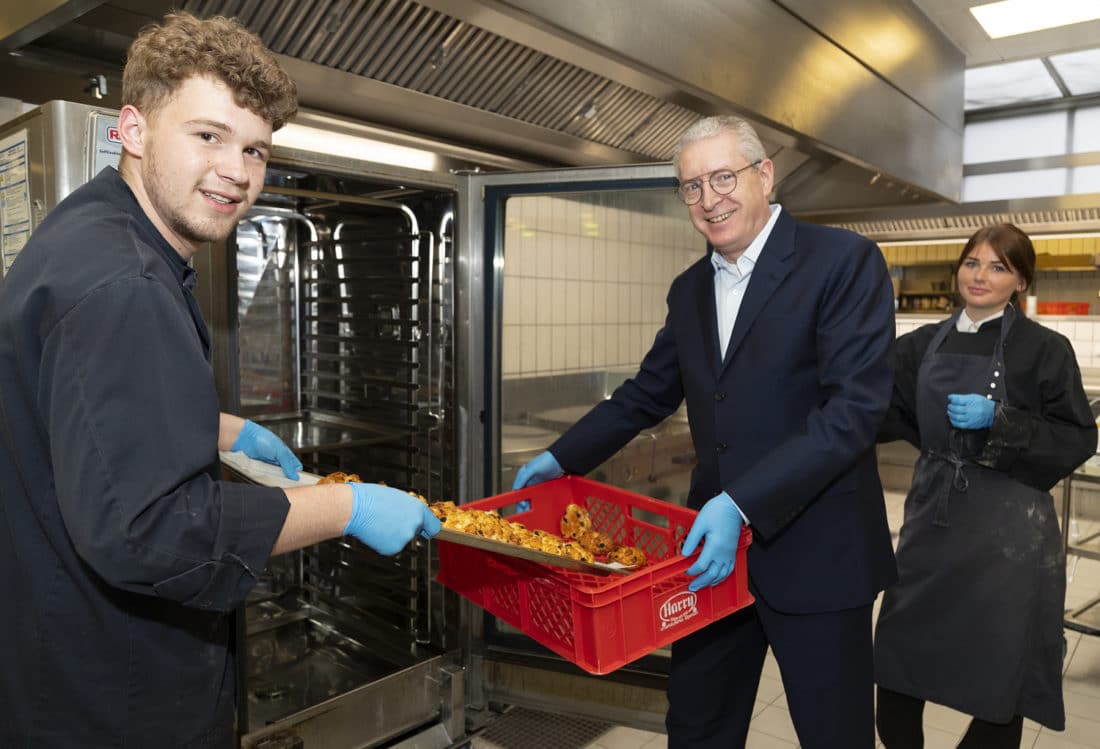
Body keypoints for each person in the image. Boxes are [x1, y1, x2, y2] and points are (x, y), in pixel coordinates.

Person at [0, 13, 439, 748]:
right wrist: (344, 504)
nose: (238, 171)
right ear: (133, 130)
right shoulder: (124, 283)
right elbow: (151, 531)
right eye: (208, 135)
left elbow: (73, 417)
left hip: (56, 665)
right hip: (116, 701)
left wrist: (217, 427)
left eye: (256, 149)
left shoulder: (88, 235)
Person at [512, 115, 898, 748]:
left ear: (764, 175)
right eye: (691, 186)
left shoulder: (841, 263)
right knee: (696, 726)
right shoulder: (690, 290)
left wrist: (743, 502)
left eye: (723, 177)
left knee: (835, 736)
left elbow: (852, 411)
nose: (709, 199)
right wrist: (562, 456)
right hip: (711, 561)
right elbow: (646, 393)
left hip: (818, 554)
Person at [873, 224, 1096, 748]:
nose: (980, 275)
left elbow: (1077, 436)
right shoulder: (920, 345)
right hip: (933, 525)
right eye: (972, 262)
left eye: (999, 267)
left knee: (999, 678)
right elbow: (881, 413)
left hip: (1008, 541)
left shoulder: (1045, 349)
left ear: (1021, 281)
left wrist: (1002, 422)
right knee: (898, 665)